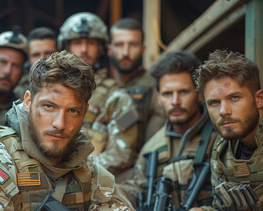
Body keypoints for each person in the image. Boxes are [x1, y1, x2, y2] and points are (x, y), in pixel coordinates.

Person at [0, 51, 146, 211]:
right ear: (28, 102)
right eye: (49, 107)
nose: (60, 123)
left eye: (73, 111)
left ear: (84, 113)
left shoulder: (88, 171)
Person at [118, 51, 217, 211]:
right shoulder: (151, 148)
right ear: (158, 98)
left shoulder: (220, 135)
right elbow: (140, 188)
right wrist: (115, 192)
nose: (175, 101)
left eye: (183, 92)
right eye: (167, 94)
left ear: (199, 93)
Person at [176, 50, 263, 211]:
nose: (224, 111)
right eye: (214, 103)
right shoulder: (223, 151)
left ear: (259, 99)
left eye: (234, 98)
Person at [59, 12, 139, 178]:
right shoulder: (52, 91)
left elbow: (121, 154)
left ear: (101, 48)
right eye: (77, 42)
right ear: (67, 46)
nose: (84, 49)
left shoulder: (119, 97)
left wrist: (73, 172)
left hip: (91, 180)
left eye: (91, 43)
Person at [108, 18, 165, 153]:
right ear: (110, 50)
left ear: (143, 49)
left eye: (133, 45)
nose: (126, 52)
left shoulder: (154, 87)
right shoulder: (104, 87)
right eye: (119, 45)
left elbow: (152, 146)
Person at [13, 27, 57, 99]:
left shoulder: (72, 82)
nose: (42, 59)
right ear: (28, 59)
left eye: (48, 53)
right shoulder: (17, 88)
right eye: (36, 55)